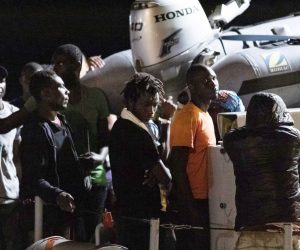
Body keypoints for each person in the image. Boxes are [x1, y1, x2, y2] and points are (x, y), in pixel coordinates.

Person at [223, 92, 300, 249]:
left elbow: (231, 134)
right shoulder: (293, 138)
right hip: (288, 225)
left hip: (251, 224)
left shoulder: (233, 141)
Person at [51, 43, 112, 242]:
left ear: (77, 66)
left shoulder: (96, 97)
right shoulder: (48, 99)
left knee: (92, 228)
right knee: (65, 231)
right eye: (54, 64)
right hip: (64, 175)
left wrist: (100, 157)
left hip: (96, 171)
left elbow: (105, 140)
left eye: (60, 63)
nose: (55, 68)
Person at [20, 70, 86, 239]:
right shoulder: (34, 130)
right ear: (46, 93)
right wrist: (57, 195)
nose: (67, 91)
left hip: (69, 213)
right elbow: (33, 178)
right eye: (61, 87)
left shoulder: (62, 121)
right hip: (49, 218)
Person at [109, 72, 172, 250]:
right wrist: (158, 173)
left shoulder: (121, 125)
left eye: (155, 105)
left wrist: (154, 171)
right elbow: (166, 178)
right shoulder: (136, 133)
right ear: (129, 102)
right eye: (146, 104)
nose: (151, 110)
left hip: (128, 213)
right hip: (140, 216)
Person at [168, 64, 219, 250]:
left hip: (206, 200)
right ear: (192, 87)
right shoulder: (188, 116)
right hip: (192, 203)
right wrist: (190, 209)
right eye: (206, 81)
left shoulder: (204, 115)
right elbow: (177, 165)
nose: (213, 84)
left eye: (214, 78)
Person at [0, 66, 22, 250]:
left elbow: (17, 156)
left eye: (2, 80)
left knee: (10, 244)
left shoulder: (14, 112)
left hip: (9, 194)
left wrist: (21, 187)